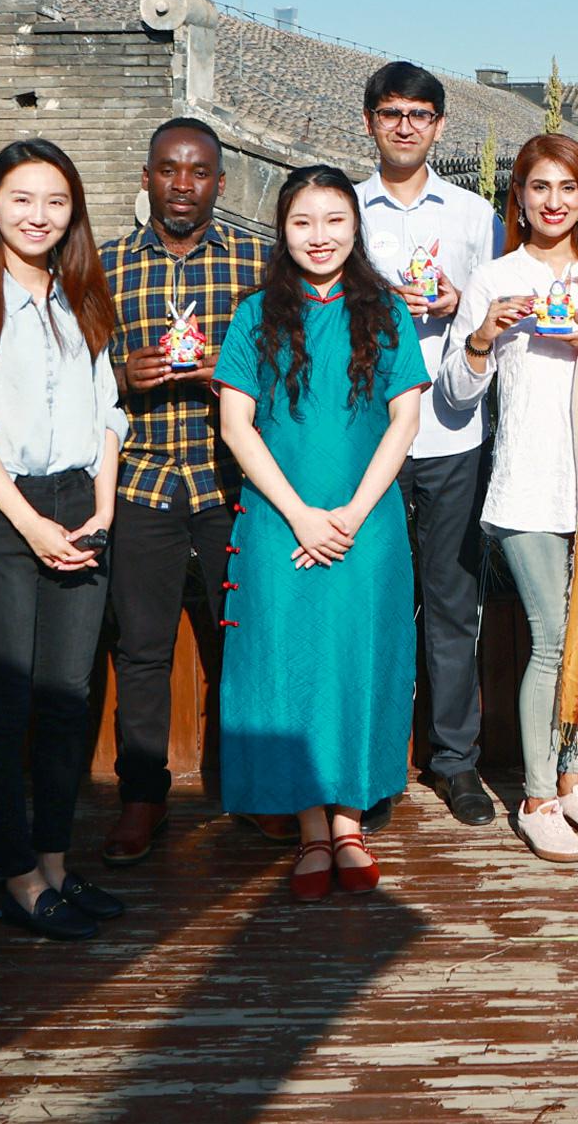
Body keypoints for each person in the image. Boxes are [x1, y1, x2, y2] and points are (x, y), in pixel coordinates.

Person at [0, 139, 130, 941]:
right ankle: (16, 876)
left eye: (56, 202)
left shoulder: (81, 297)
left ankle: (55, 863)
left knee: (67, 698)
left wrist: (102, 511)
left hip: (80, 502)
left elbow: (108, 412)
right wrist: (30, 523)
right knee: (6, 705)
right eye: (22, 199)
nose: (38, 216)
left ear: (72, 213)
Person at [440, 134, 578, 862]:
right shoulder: (495, 278)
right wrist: (483, 335)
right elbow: (456, 392)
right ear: (520, 197)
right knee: (553, 638)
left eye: (568, 188)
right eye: (540, 187)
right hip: (527, 489)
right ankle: (537, 797)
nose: (554, 201)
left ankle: (573, 778)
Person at [213, 166, 428, 899]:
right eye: (303, 222)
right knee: (288, 663)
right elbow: (236, 425)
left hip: (368, 523)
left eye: (335, 220)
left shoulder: (387, 312)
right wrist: (301, 514)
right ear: (283, 229)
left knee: (358, 660)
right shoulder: (254, 315)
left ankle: (350, 822)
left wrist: (354, 512)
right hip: (279, 522)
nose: (319, 236)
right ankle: (309, 828)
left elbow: (405, 419)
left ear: (355, 226)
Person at [97, 117, 271, 864]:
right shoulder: (105, 265)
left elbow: (291, 364)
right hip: (142, 477)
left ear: (220, 184)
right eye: (168, 169)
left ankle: (256, 788)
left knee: (247, 637)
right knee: (141, 647)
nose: (182, 185)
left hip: (231, 478)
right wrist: (118, 374)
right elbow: (74, 369)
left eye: (198, 172)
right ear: (147, 178)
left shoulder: (259, 261)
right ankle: (143, 796)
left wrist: (232, 373)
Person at [356, 61, 507, 828]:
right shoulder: (345, 211)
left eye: (419, 114)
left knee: (452, 603)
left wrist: (459, 305)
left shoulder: (477, 216)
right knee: (375, 602)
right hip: (369, 436)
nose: (405, 126)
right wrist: (379, 303)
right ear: (370, 123)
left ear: (440, 126)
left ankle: (455, 762)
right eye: (392, 113)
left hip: (453, 431)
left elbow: (498, 317)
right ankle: (373, 765)